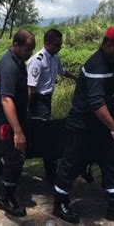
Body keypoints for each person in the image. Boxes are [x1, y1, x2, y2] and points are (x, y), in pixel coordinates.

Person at [52, 26, 114, 224]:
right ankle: (60, 203)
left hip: (104, 124)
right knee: (72, 163)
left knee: (113, 163)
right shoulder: (97, 66)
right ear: (109, 45)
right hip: (84, 125)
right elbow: (96, 104)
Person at [0, 29, 35, 217]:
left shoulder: (20, 62)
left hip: (17, 117)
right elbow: (6, 100)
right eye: (27, 49)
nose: (30, 53)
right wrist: (18, 131)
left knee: (10, 154)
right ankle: (6, 198)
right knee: (15, 158)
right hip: (7, 121)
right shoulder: (9, 65)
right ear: (16, 45)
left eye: (32, 49)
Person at [26, 28, 77, 184]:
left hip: (46, 101)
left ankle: (49, 169)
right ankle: (49, 171)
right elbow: (30, 88)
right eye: (56, 45)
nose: (59, 47)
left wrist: (77, 78)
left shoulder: (55, 57)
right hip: (36, 101)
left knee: (44, 134)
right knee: (44, 136)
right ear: (47, 43)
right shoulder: (38, 60)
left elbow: (62, 71)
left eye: (60, 45)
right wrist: (26, 108)